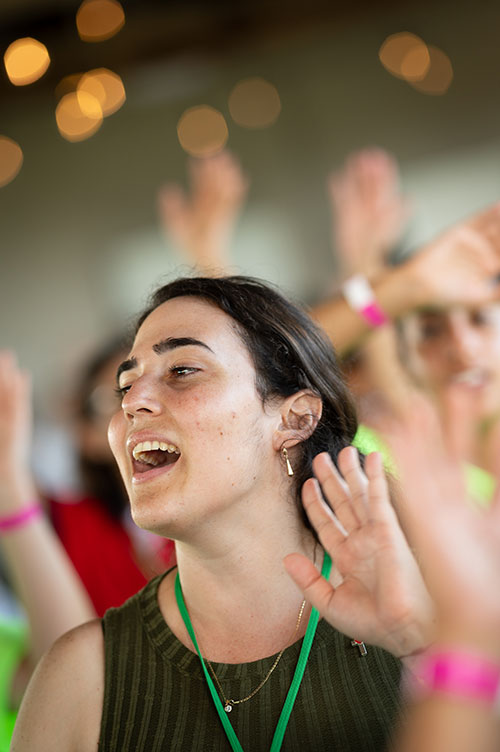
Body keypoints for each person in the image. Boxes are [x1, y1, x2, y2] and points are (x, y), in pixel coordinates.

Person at [11, 275, 433, 751]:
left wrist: (417, 647)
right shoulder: (81, 678)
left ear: (295, 419)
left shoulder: (434, 613)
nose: (131, 402)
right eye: (124, 385)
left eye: (183, 370)